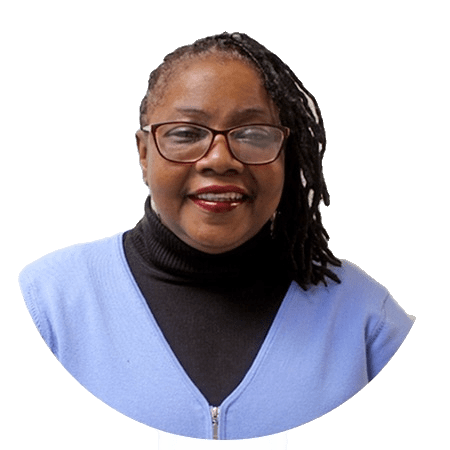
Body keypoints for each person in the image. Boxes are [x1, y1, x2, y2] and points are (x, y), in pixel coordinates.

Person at [18, 32, 414, 440]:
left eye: (253, 134)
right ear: (144, 153)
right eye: (187, 134)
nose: (220, 160)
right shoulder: (47, 303)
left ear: (285, 153)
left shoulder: (364, 318)